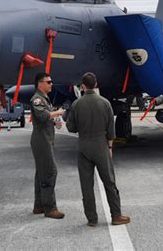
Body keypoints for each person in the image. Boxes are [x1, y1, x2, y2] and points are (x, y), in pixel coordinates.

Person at [66, 72, 130, 226]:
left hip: (83, 146)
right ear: (96, 85)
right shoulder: (105, 103)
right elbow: (111, 129)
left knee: (86, 185)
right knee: (109, 182)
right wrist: (109, 146)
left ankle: (92, 219)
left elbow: (71, 128)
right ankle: (116, 216)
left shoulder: (76, 104)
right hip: (101, 145)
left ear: (82, 86)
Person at [30, 72, 65, 219]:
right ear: (40, 84)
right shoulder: (37, 99)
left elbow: (46, 118)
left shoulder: (45, 99)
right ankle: (50, 208)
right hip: (41, 140)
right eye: (48, 82)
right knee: (50, 172)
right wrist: (58, 112)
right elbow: (42, 115)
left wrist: (54, 121)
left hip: (45, 138)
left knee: (41, 173)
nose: (51, 84)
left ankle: (39, 205)